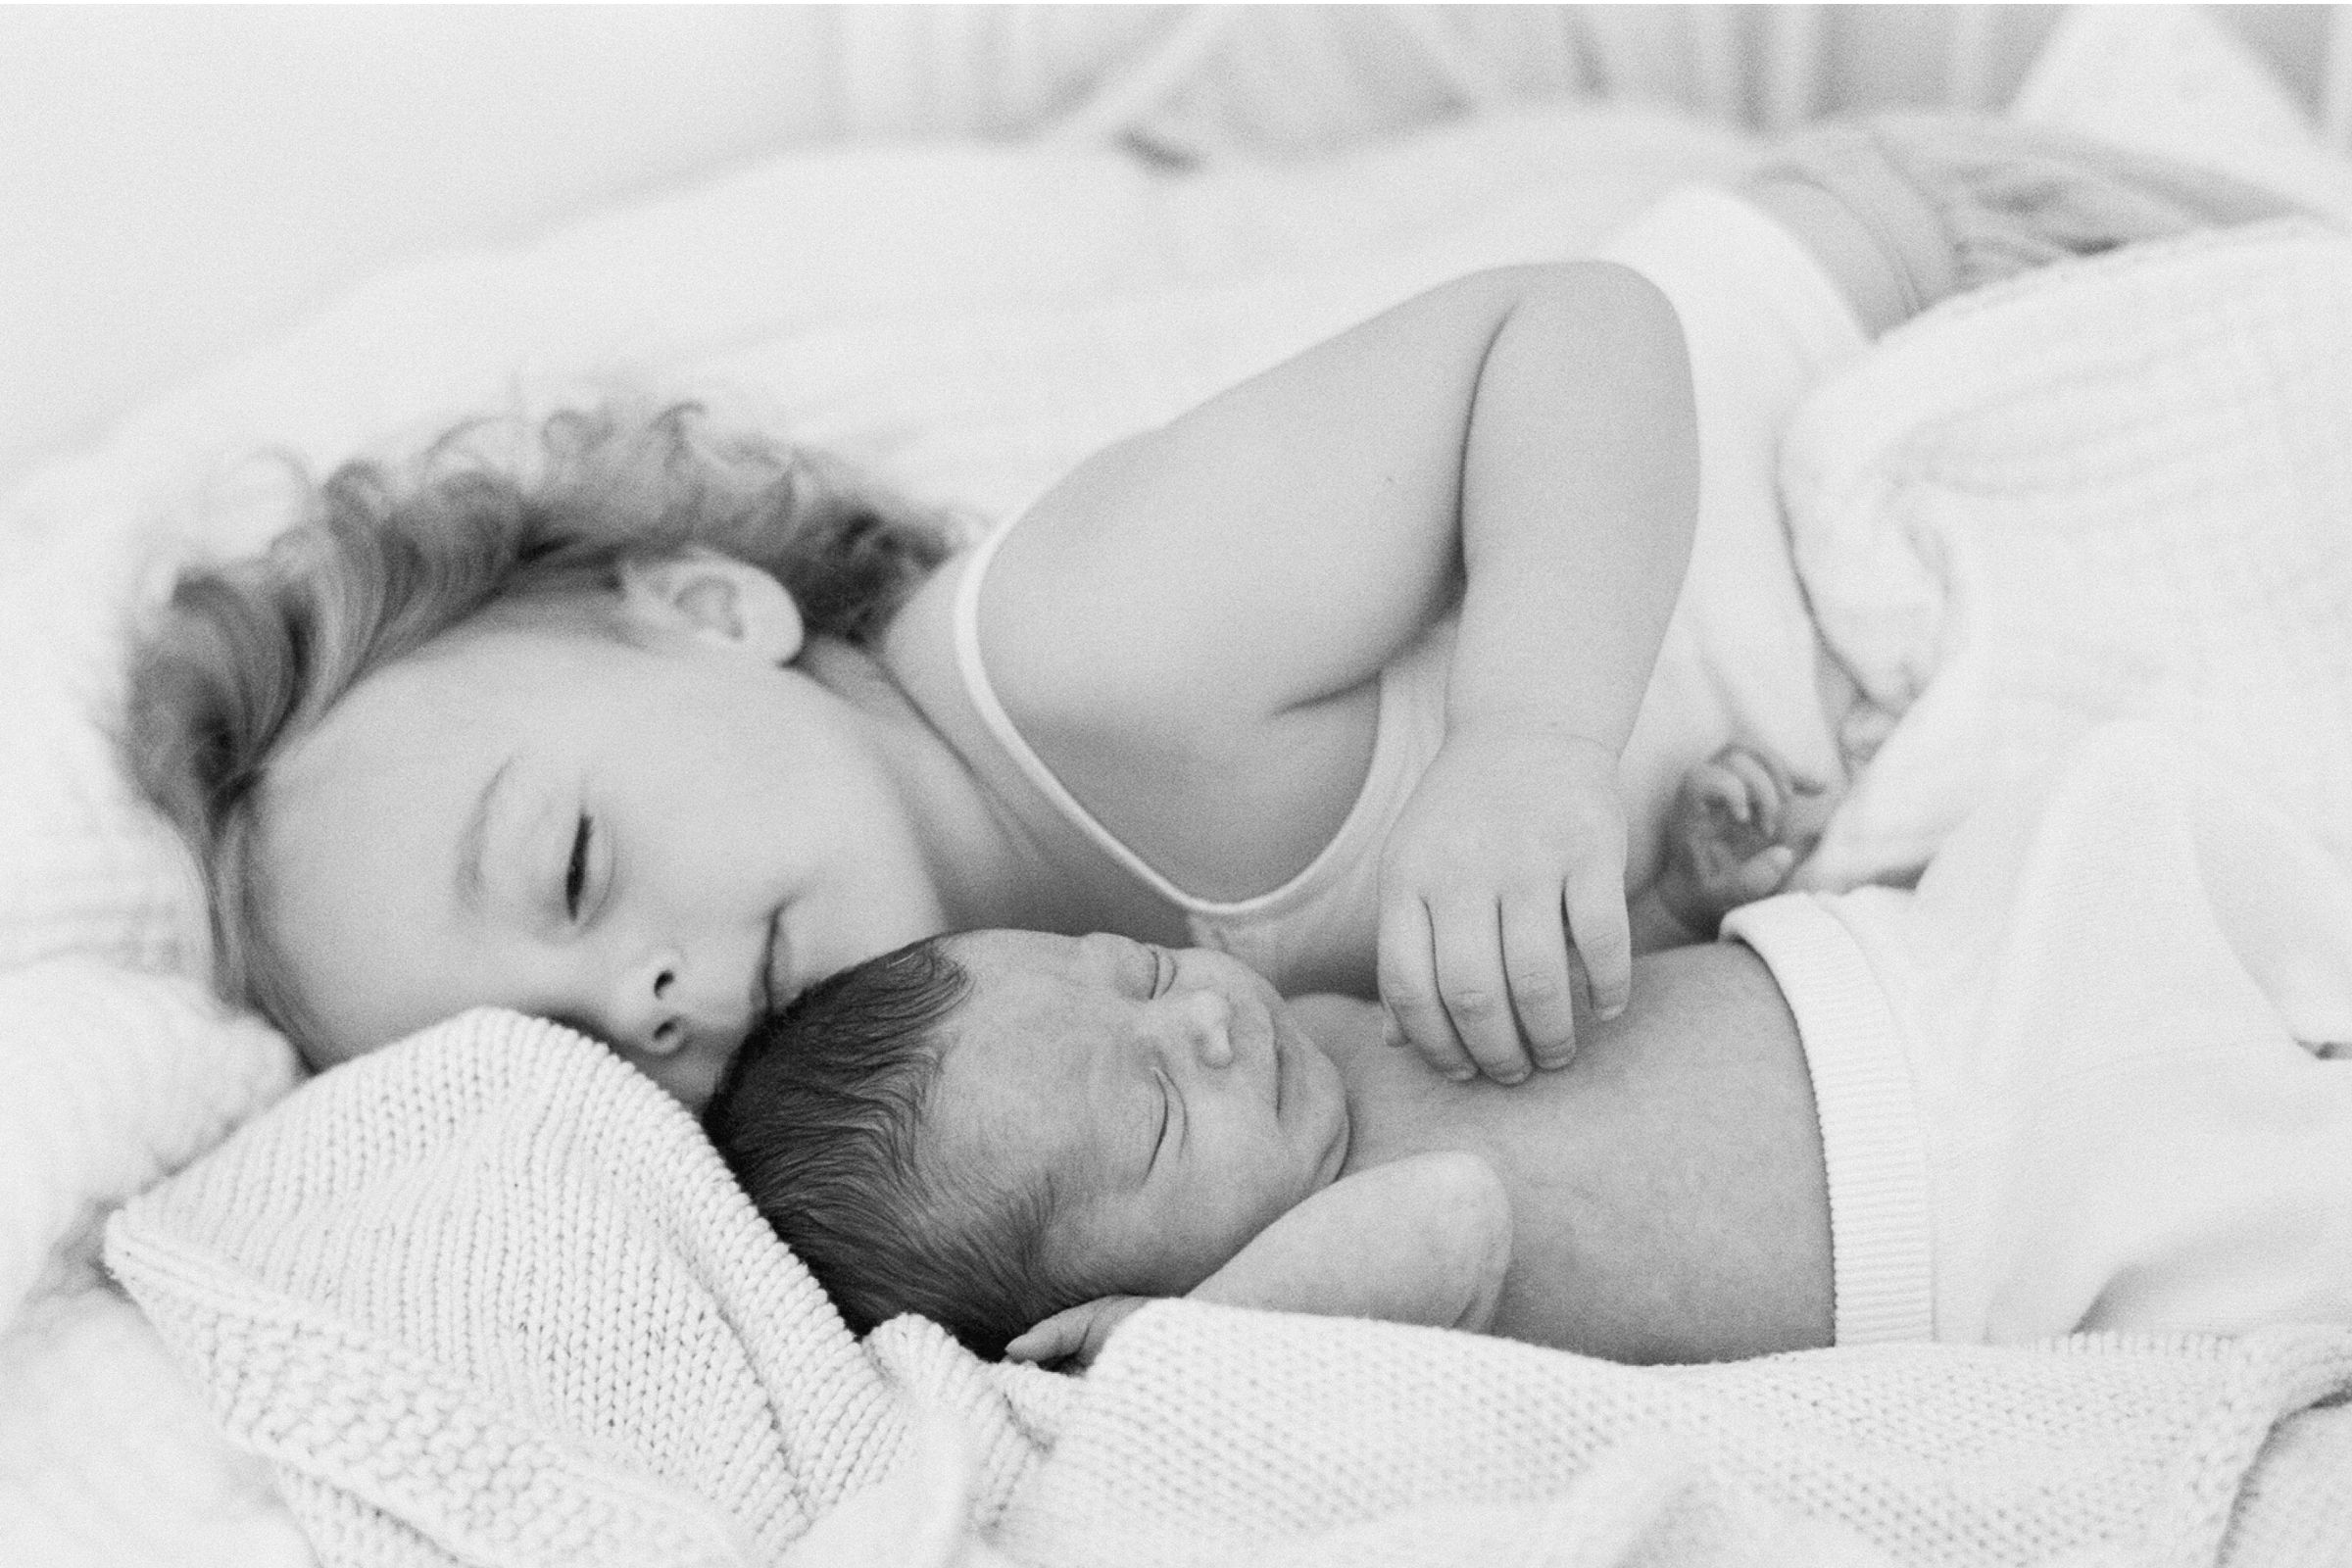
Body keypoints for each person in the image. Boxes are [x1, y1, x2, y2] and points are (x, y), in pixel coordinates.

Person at [121, 116, 2297, 1107]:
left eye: (578, 865)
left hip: (1937, 296)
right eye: (584, 1050)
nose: (657, 988)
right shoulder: (1029, 1067)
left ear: (710, 606)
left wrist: (1542, 743)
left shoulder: (1081, 651)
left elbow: (1576, 329)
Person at [703, 724, 2352, 1367]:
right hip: (1995, 1198)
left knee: (2139, 807)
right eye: (1151, 1114)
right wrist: (1171, 1344)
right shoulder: (1309, 1296)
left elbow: (1563, 1007)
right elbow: (1461, 1221)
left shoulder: (1315, 1030)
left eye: (1132, 972)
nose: (1200, 1018)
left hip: (1924, 975)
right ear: (1092, 1301)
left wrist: (1674, 894)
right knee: (2276, 1198)